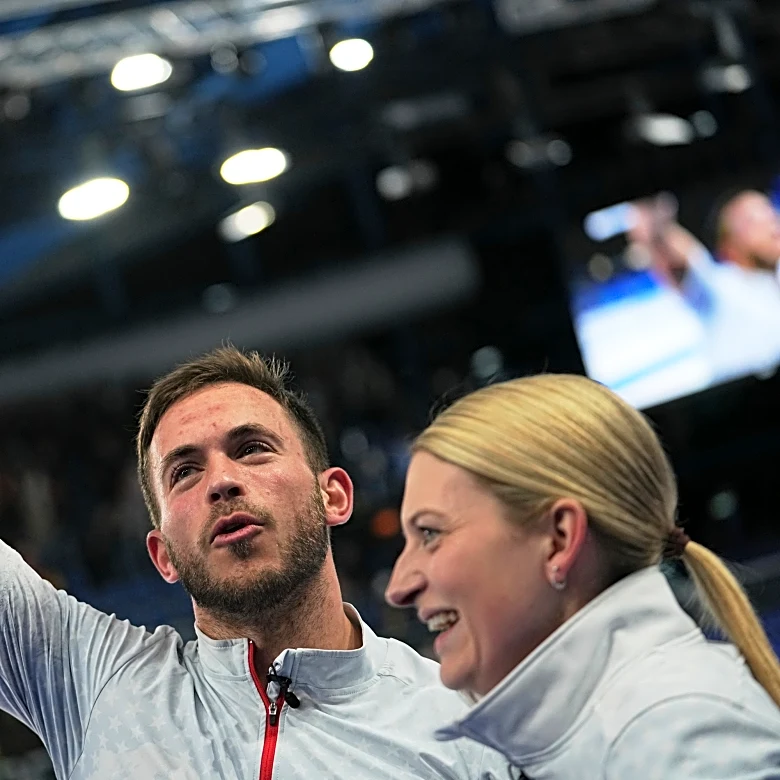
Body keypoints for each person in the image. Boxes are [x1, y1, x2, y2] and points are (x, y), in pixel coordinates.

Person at [0, 347, 504, 780]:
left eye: (253, 449)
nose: (221, 480)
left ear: (332, 496)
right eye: (185, 471)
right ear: (163, 555)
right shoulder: (90, 680)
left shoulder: (465, 733)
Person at [386, 374, 780, 779]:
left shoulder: (678, 735)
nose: (399, 586)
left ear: (559, 539)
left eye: (430, 533)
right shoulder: (623, 731)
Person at [629, 190, 780, 382]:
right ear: (729, 248)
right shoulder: (720, 285)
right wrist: (655, 222)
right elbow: (672, 253)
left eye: (771, 214)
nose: (771, 225)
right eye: (752, 221)